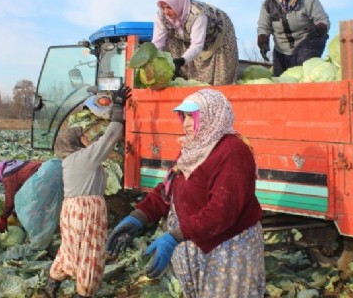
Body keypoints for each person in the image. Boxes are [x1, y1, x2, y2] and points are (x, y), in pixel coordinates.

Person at [107, 89, 265, 298]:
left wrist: (174, 237)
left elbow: (222, 211)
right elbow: (170, 188)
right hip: (194, 241)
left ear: (213, 115)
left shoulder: (232, 151)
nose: (186, 123)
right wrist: (138, 217)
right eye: (184, 116)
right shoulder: (194, 148)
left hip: (226, 249)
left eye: (193, 116)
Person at [44, 85, 131, 298]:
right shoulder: (85, 158)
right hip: (87, 211)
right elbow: (110, 137)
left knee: (70, 248)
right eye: (83, 137)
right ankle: (84, 292)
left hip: (71, 210)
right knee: (90, 253)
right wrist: (118, 107)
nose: (87, 139)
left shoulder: (68, 160)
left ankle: (51, 284)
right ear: (76, 143)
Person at [152, 0, 239, 86]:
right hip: (187, 34)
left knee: (221, 79)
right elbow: (157, 42)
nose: (166, 11)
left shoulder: (198, 14)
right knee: (169, 39)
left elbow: (197, 45)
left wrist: (180, 61)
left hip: (217, 33)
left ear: (177, 4)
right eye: (163, 8)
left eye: (169, 7)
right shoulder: (162, 16)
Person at [257, 0, 330, 77]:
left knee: (304, 74)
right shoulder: (268, 3)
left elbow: (323, 20)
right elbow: (263, 26)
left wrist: (318, 29)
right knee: (280, 79)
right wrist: (263, 42)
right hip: (281, 48)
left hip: (307, 42)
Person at [0, 159, 43, 232]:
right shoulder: (14, 166)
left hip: (42, 177)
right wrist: (15, 213)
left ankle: (40, 234)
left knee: (39, 207)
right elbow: (21, 194)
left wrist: (3, 217)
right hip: (46, 169)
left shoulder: (9, 176)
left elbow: (10, 199)